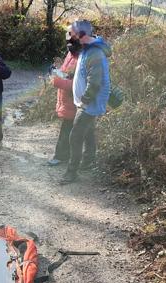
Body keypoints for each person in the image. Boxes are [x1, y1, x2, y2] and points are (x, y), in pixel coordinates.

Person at [61, 20, 111, 184]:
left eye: (73, 35)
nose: (70, 38)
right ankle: (88, 161)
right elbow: (83, 71)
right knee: (87, 132)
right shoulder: (86, 49)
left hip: (90, 103)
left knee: (75, 136)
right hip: (85, 102)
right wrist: (71, 76)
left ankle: (71, 173)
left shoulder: (94, 53)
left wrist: (85, 100)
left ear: (82, 35)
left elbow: (95, 82)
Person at [47, 26, 81, 166]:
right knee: (69, 130)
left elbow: (77, 85)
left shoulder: (82, 58)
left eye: (71, 41)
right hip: (65, 100)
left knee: (68, 130)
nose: (68, 45)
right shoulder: (70, 54)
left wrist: (56, 81)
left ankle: (61, 156)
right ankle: (66, 156)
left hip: (74, 102)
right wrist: (56, 72)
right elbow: (66, 73)